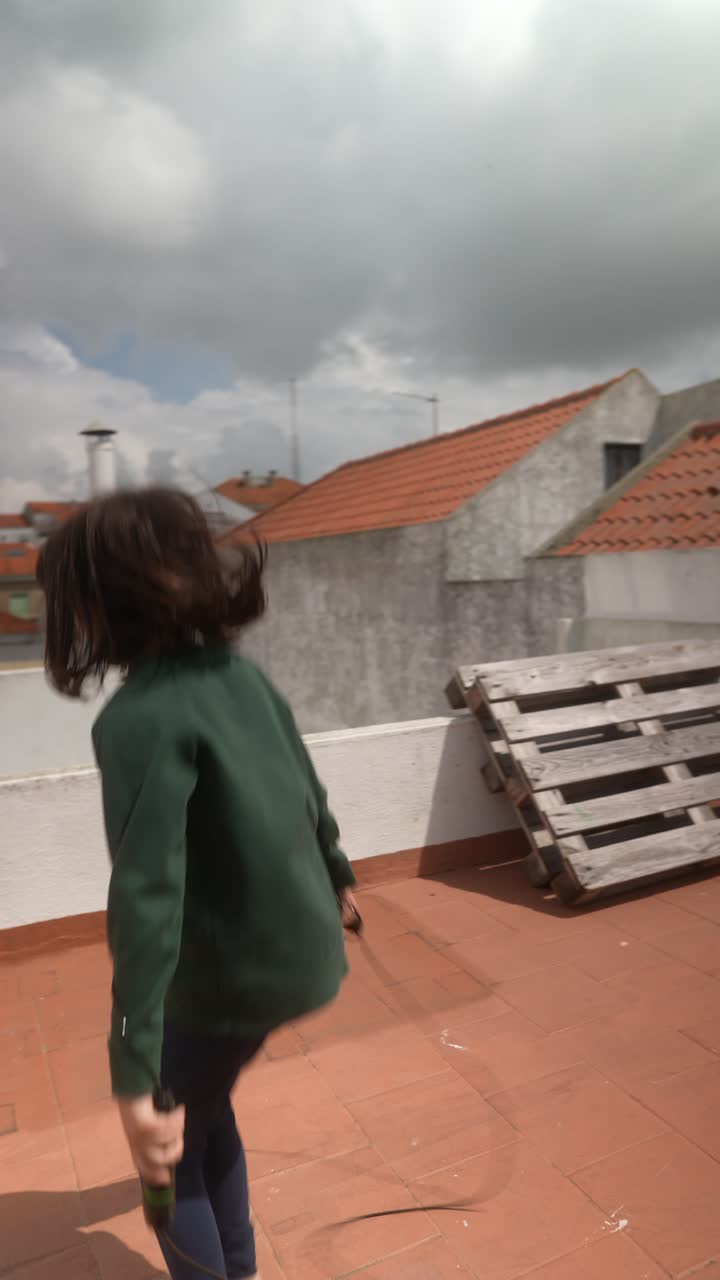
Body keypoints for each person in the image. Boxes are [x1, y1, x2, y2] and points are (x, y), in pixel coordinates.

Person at [37, 488, 358, 1280]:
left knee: (166, 1153)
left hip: (228, 982)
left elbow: (148, 902)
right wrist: (340, 875)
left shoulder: (137, 720)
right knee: (205, 1111)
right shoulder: (242, 680)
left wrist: (131, 1067)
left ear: (97, 607)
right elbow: (309, 789)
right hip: (305, 952)